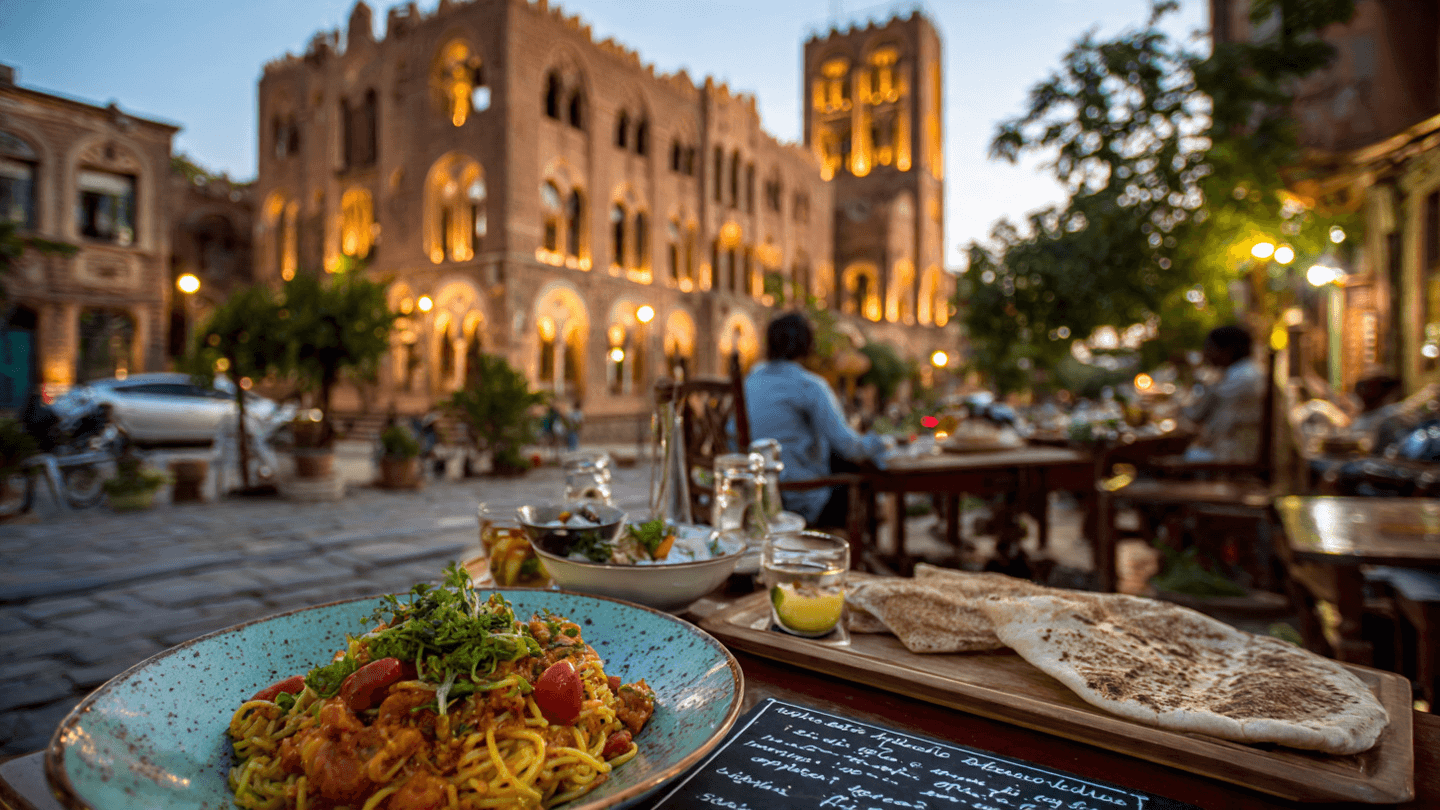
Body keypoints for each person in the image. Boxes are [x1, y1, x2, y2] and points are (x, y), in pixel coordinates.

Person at [744, 312, 892, 527]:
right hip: (798, 498)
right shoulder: (809, 385)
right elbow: (849, 445)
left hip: (755, 496)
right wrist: (884, 443)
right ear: (807, 345)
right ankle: (861, 550)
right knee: (862, 472)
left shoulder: (750, 381)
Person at [1180, 324, 1265, 463]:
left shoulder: (1241, 376)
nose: (1205, 354)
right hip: (1233, 451)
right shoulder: (1245, 371)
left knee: (1179, 456)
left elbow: (1196, 414)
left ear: (1227, 350)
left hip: (1233, 457)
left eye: (1209, 348)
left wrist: (1197, 377)